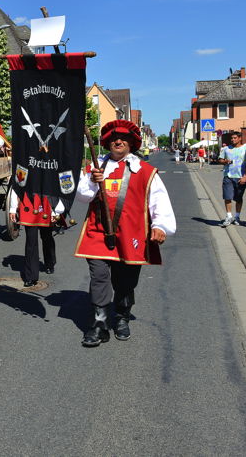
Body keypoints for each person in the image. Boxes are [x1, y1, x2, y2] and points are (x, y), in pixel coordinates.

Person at [74, 119, 176, 347]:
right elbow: (82, 196)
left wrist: (160, 225)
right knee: (99, 276)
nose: (117, 141)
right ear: (107, 143)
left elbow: (158, 199)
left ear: (131, 143)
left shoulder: (145, 171)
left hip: (132, 233)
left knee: (126, 280)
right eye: (113, 139)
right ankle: (99, 323)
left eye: (123, 139)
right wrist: (92, 181)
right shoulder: (95, 167)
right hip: (98, 231)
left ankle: (121, 317)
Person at [8, 190, 61, 286]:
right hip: (29, 203)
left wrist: (56, 210)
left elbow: (55, 187)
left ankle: (49, 263)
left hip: (47, 201)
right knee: (31, 240)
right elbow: (17, 186)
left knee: (46, 236)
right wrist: (13, 208)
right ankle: (31, 276)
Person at [218, 131, 246, 227]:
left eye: (235, 138)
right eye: (232, 138)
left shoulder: (245, 149)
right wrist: (225, 161)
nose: (233, 140)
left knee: (239, 198)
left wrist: (245, 176)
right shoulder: (226, 149)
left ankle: (237, 217)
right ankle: (229, 216)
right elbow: (220, 159)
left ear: (240, 138)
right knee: (227, 197)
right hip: (228, 176)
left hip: (240, 177)